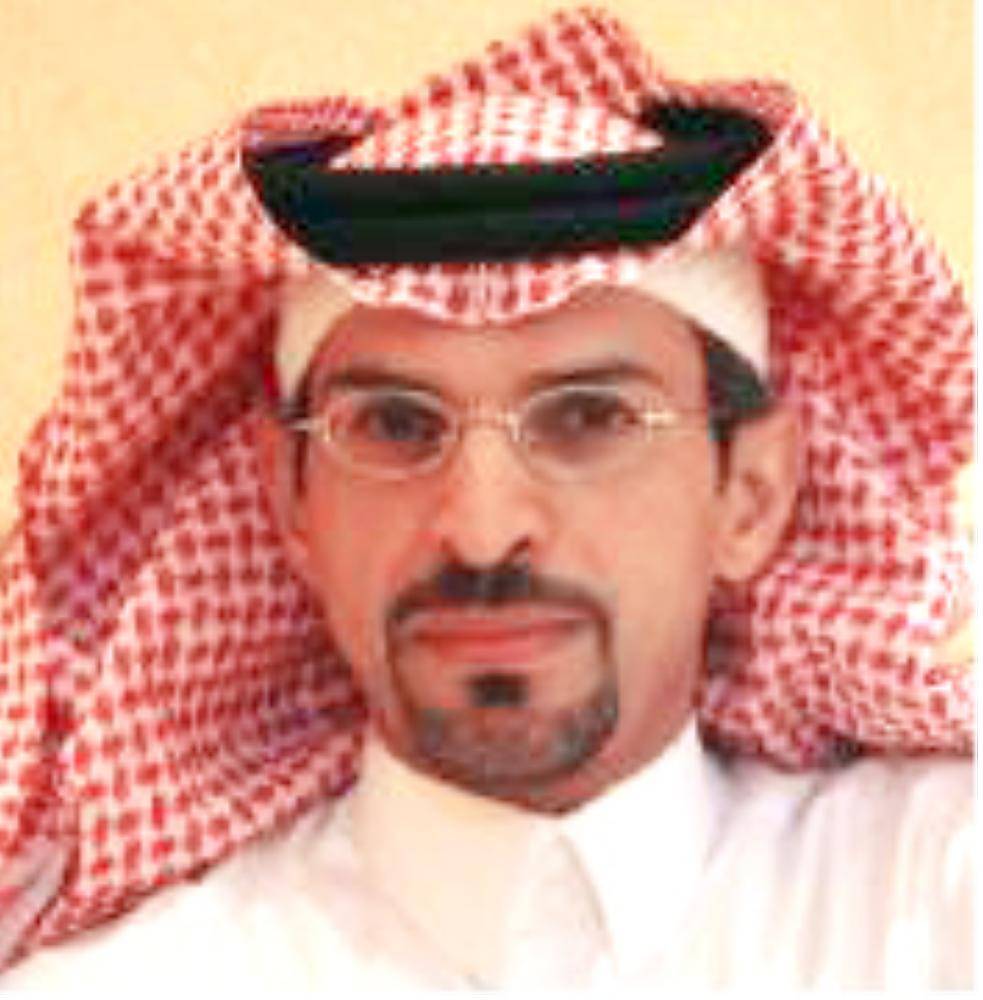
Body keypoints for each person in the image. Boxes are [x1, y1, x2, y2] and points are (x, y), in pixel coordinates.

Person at [0, 7, 973, 989]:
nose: (481, 529)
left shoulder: (929, 898)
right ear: (289, 498)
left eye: (588, 417)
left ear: (749, 495)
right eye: (393, 424)